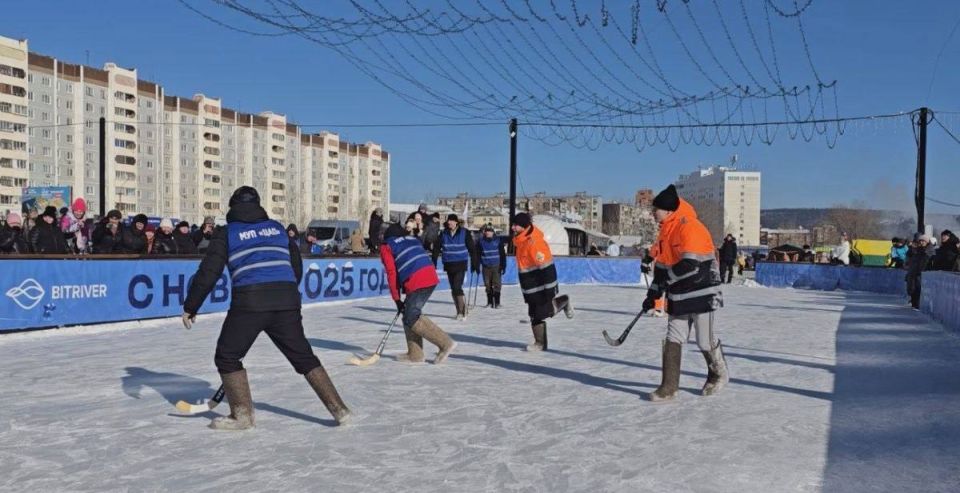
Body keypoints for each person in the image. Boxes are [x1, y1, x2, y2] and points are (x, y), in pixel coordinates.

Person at [182, 186, 350, 430]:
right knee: (304, 357)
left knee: (227, 356)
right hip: (287, 300)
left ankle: (242, 416)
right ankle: (340, 410)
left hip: (250, 302)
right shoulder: (278, 229)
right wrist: (286, 291)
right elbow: (296, 266)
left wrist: (191, 306)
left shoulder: (227, 233)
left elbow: (209, 272)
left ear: (232, 207)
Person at [642, 184, 727, 401]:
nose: (653, 213)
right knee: (674, 336)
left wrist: (666, 282)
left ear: (668, 210)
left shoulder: (690, 227)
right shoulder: (666, 231)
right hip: (679, 292)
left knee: (704, 340)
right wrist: (653, 294)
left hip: (702, 291)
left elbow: (691, 264)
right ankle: (668, 387)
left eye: (656, 210)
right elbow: (662, 266)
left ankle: (718, 373)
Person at [380, 223, 457, 363]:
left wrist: (396, 299)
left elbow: (391, 273)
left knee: (410, 316)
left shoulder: (386, 246)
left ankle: (445, 343)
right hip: (430, 276)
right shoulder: (412, 239)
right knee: (409, 313)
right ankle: (415, 354)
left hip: (417, 279)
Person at [512, 213, 574, 351]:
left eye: (515, 225)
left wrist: (550, 289)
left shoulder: (534, 242)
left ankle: (564, 301)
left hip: (540, 285)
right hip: (530, 285)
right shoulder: (521, 241)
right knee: (534, 314)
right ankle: (540, 344)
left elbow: (547, 267)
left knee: (544, 312)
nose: (512, 228)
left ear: (523, 226)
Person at [439, 214, 478, 320]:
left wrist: (475, 263)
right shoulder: (443, 233)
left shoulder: (464, 232)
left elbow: (472, 248)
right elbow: (437, 247)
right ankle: (459, 311)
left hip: (460, 264)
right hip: (448, 264)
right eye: (448, 221)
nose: (449, 223)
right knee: (453, 289)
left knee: (457, 287)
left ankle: (463, 311)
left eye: (451, 221)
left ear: (456, 222)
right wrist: (433, 259)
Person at [478, 224, 506, 308]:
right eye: (486, 231)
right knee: (487, 285)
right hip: (486, 266)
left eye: (490, 231)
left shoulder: (498, 241)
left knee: (497, 284)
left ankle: (497, 303)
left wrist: (503, 265)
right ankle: (489, 302)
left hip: (496, 266)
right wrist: (476, 264)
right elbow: (477, 254)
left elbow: (502, 254)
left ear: (493, 232)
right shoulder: (481, 242)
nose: (488, 233)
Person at [906, 235, 932, 309]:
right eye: (920, 241)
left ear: (927, 242)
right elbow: (913, 261)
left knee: (919, 289)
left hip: (922, 273)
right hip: (914, 272)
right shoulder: (918, 250)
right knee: (913, 289)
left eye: (923, 241)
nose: (921, 242)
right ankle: (914, 303)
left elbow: (926, 262)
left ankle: (917, 304)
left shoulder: (928, 251)